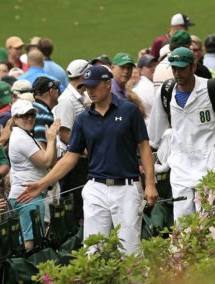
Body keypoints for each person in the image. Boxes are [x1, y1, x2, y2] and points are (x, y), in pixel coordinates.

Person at [18, 65, 158, 256]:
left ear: (108, 84)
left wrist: (150, 183)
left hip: (127, 187)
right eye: (86, 87)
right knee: (92, 250)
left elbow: (144, 147)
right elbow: (70, 157)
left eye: (94, 86)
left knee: (130, 250)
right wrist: (42, 184)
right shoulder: (83, 119)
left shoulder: (129, 111)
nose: (89, 91)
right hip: (96, 187)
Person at [148, 47, 215, 221]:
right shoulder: (167, 92)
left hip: (211, 165)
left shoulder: (213, 88)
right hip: (180, 168)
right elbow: (154, 137)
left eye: (181, 68)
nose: (177, 73)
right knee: (183, 226)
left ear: (193, 67)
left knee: (212, 224)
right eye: (174, 68)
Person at [8, 99, 60, 251]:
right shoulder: (20, 137)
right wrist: (50, 139)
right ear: (15, 119)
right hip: (27, 196)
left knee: (35, 238)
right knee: (29, 242)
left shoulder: (26, 135)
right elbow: (45, 161)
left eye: (32, 114)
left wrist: (53, 140)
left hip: (32, 195)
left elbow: (51, 160)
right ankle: (26, 272)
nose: (30, 118)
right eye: (24, 115)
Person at [53, 59, 89, 224]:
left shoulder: (79, 97)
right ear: (83, 75)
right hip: (73, 162)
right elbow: (64, 135)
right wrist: (86, 151)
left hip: (79, 160)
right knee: (75, 206)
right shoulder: (67, 100)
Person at [32, 76, 60, 148]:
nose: (58, 92)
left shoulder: (33, 107)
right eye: (56, 89)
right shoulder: (44, 115)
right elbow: (41, 146)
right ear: (51, 92)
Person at [131, 54, 157, 125]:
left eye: (155, 65)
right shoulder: (147, 86)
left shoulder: (137, 85)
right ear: (140, 70)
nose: (154, 68)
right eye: (149, 66)